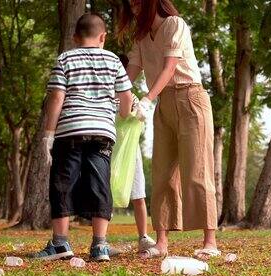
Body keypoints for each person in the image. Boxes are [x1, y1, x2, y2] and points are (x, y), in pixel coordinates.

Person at [119, 0, 220, 259]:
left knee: (197, 171)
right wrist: (115, 93)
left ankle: (210, 241)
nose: (134, 8)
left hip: (190, 99)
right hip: (163, 104)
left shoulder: (175, 24)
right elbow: (132, 69)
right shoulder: (141, 36)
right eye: (130, 3)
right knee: (163, 173)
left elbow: (170, 67)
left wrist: (147, 98)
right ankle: (162, 242)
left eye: (138, 2)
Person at [32, 13, 133, 262]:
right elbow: (127, 97)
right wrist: (121, 114)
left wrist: (48, 135)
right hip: (102, 132)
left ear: (75, 37)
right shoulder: (113, 60)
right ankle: (100, 245)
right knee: (100, 185)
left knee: (62, 183)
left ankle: (60, 243)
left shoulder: (65, 58)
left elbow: (56, 98)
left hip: (71, 131)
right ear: (103, 37)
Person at [117, 54, 156, 254]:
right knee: (105, 194)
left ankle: (143, 236)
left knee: (138, 194)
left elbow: (136, 120)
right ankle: (101, 240)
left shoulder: (132, 96)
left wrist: (139, 113)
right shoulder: (107, 93)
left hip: (131, 152)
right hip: (112, 150)